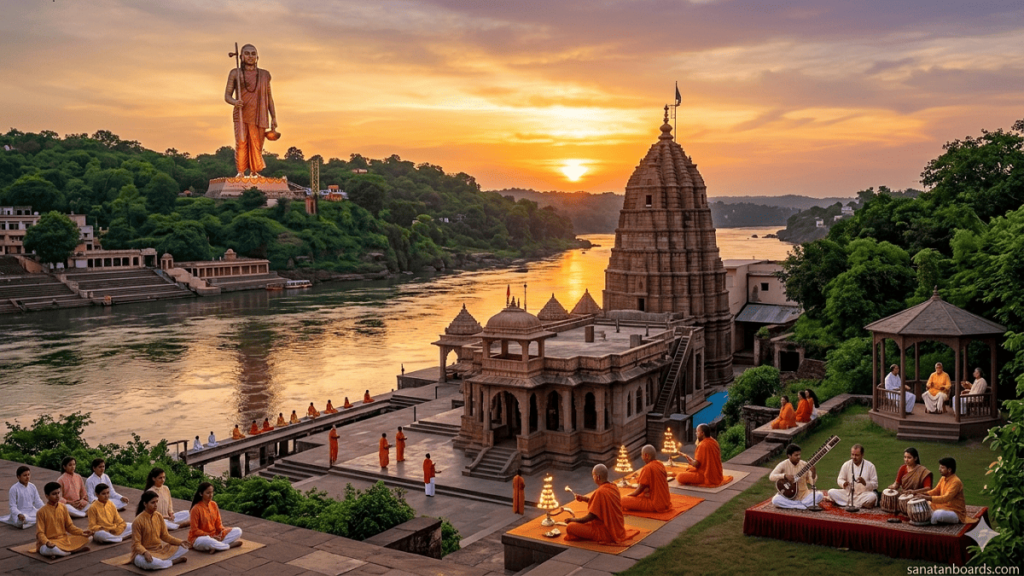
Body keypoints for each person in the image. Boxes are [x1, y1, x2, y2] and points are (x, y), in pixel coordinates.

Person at [223, 44, 277, 177]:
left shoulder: (264, 75)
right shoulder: (235, 73)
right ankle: (240, 172)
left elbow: (269, 97)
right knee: (241, 142)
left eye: (253, 54)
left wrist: (274, 116)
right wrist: (235, 102)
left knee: (257, 144)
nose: (250, 56)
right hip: (241, 113)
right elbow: (227, 96)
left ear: (257, 57)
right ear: (241, 56)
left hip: (260, 114)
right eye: (247, 53)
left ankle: (254, 171)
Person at [565, 464, 633, 544]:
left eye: (593, 476)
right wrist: (584, 499)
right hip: (618, 529)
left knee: (570, 527)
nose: (593, 478)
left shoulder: (600, 492)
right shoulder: (613, 487)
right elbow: (601, 504)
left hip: (606, 532)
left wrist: (573, 520)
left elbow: (590, 517)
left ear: (598, 477)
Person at [131, 491, 190, 570]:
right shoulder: (137, 521)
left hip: (159, 550)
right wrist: (145, 552)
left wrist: (180, 542)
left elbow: (165, 536)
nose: (156, 505)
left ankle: (163, 562)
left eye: (156, 502)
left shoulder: (158, 516)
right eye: (152, 502)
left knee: (184, 547)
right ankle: (172, 562)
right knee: (149, 563)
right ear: (145, 504)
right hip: (143, 552)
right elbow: (136, 544)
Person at [35, 482, 92, 558]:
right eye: (54, 494)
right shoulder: (41, 512)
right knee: (48, 549)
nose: (57, 496)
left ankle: (60, 553)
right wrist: (47, 542)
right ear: (47, 496)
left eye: (59, 493)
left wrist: (82, 532)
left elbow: (69, 526)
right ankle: (68, 552)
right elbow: (40, 533)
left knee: (88, 538)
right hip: (50, 542)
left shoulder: (63, 507)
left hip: (64, 540)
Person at [919, 457, 977, 525]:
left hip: (955, 512)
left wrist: (928, 498)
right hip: (943, 507)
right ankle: (930, 519)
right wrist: (923, 494)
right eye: (940, 467)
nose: (939, 469)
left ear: (949, 469)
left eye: (942, 468)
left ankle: (931, 525)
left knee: (937, 514)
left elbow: (946, 498)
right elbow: (936, 491)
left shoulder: (956, 482)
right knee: (923, 504)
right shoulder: (943, 478)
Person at [188, 482, 243, 552]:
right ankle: (228, 546)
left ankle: (218, 546)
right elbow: (194, 530)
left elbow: (218, 523)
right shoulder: (195, 509)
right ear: (201, 494)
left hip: (215, 535)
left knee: (238, 531)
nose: (211, 495)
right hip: (199, 538)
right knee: (207, 541)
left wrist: (220, 532)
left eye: (212, 492)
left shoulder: (213, 504)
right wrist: (210, 536)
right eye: (208, 493)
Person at [769, 444, 822, 509]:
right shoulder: (783, 464)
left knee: (819, 495)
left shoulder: (804, 465)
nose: (799, 457)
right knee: (775, 500)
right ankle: (802, 505)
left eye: (799, 454)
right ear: (789, 456)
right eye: (796, 455)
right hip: (788, 496)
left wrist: (813, 472)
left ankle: (797, 505)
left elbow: (812, 483)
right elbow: (771, 476)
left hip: (804, 495)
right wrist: (784, 476)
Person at [623, 445, 671, 512]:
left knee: (623, 500)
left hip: (655, 504)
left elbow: (637, 491)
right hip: (666, 502)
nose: (641, 457)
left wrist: (627, 495)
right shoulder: (660, 464)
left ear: (646, 456)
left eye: (642, 455)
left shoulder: (647, 468)